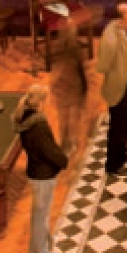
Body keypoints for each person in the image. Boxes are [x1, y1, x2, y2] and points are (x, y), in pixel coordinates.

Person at [13, 85, 69, 253]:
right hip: (42, 175)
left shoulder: (26, 119)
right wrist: (63, 160)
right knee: (41, 216)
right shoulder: (39, 126)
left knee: (41, 213)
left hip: (36, 171)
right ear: (41, 102)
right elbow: (48, 151)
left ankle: (44, 246)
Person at [96, 2, 127, 175]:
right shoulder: (111, 37)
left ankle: (121, 155)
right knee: (117, 125)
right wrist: (126, 61)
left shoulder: (124, 29)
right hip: (117, 84)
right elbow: (104, 65)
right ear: (123, 18)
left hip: (126, 80)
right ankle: (113, 165)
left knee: (124, 122)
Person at [50, 19, 88, 154]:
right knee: (72, 117)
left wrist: (54, 85)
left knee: (63, 117)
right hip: (72, 86)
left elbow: (55, 69)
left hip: (62, 86)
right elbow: (81, 70)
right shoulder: (76, 50)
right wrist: (85, 88)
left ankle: (65, 143)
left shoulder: (57, 48)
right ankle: (71, 142)